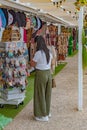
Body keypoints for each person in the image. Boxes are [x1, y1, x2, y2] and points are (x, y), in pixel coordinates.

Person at [30, 35, 53, 122]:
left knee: (40, 94)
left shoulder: (38, 53)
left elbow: (33, 64)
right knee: (47, 94)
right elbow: (52, 62)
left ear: (37, 43)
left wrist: (31, 58)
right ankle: (47, 112)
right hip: (48, 73)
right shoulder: (48, 52)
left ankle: (42, 115)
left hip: (41, 74)